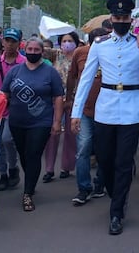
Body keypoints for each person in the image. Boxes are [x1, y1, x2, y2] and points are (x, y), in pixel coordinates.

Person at [70, 0, 139, 235]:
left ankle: (117, 210)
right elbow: (86, 79)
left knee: (123, 162)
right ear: (111, 19)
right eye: (117, 18)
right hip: (106, 108)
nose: (121, 21)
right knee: (106, 160)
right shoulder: (100, 43)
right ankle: (114, 191)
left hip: (132, 109)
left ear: (131, 19)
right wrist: (76, 112)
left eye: (125, 18)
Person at [1, 37, 64, 212]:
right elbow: (4, 94)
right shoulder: (14, 72)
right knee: (24, 154)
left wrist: (57, 122)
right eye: (30, 50)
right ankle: (31, 180)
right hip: (17, 121)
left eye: (37, 50)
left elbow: (58, 96)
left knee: (34, 154)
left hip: (41, 121)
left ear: (42, 52)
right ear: (25, 50)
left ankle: (27, 193)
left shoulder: (50, 72)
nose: (33, 53)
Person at [66, 28, 108, 206]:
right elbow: (73, 76)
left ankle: (100, 184)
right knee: (83, 149)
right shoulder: (80, 53)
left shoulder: (112, 53)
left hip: (106, 112)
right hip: (84, 110)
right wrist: (69, 99)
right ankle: (84, 188)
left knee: (104, 150)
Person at [0, 29, 24, 191]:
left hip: (15, 108)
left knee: (7, 139)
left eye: (13, 41)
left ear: (19, 43)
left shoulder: (23, 62)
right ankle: (3, 174)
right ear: (2, 42)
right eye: (7, 40)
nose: (10, 44)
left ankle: (13, 167)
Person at [43, 32, 80, 182]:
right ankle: (49, 169)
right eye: (64, 41)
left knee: (71, 134)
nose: (67, 43)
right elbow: (41, 49)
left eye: (70, 41)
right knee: (53, 133)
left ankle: (67, 167)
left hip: (74, 99)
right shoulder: (56, 55)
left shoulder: (80, 57)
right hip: (56, 99)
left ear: (76, 43)